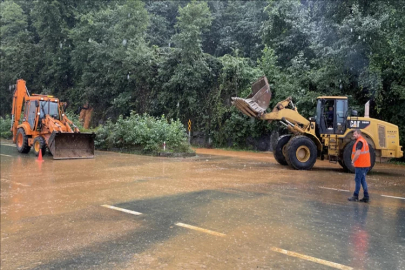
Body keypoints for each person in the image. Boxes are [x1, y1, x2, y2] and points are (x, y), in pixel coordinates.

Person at [348, 129, 371, 203]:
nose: (353, 135)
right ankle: (366, 197)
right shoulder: (363, 141)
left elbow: (357, 153)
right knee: (362, 180)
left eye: (355, 134)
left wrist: (352, 161)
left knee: (358, 180)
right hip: (365, 164)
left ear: (359, 134)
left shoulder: (359, 142)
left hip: (361, 165)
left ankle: (355, 196)